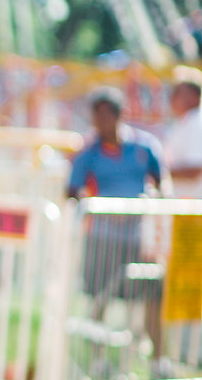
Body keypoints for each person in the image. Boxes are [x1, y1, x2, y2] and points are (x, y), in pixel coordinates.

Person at [67, 86, 165, 341]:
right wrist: (98, 207)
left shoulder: (145, 147)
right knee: (100, 297)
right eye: (96, 116)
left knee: (151, 294)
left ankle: (156, 359)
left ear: (119, 114)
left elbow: (162, 183)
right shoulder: (89, 153)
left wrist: (152, 204)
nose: (100, 122)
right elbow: (71, 190)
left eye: (105, 115)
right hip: (103, 236)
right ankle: (96, 360)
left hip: (138, 237)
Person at [163, 67, 202, 196]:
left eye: (178, 92)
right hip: (185, 205)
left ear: (194, 96)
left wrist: (160, 171)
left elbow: (196, 168)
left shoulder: (196, 123)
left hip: (194, 207)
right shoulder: (184, 122)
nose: (172, 97)